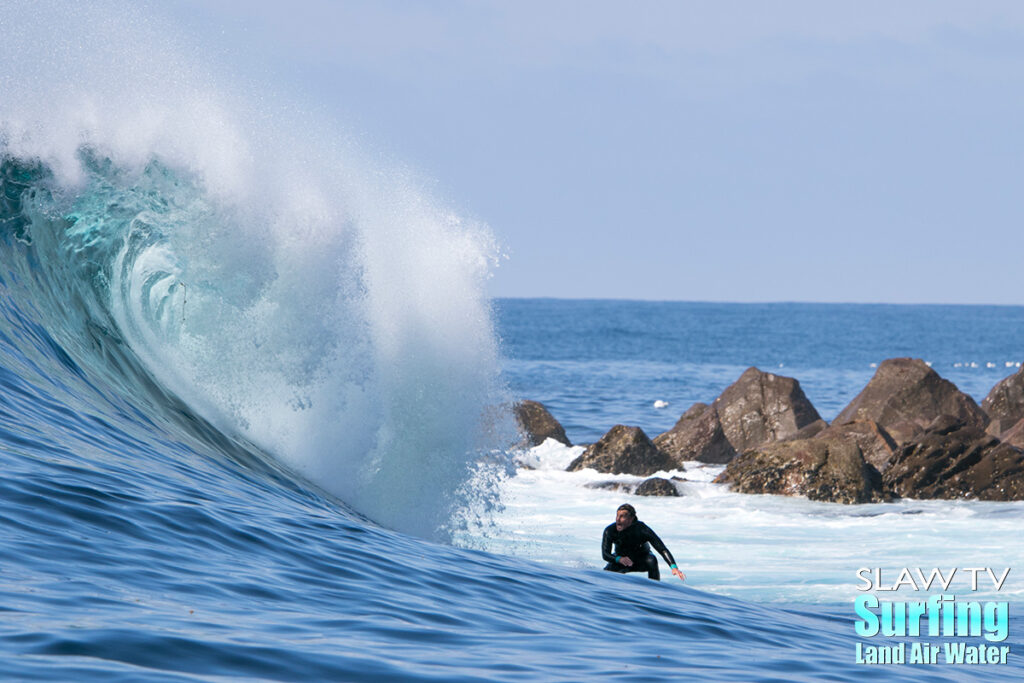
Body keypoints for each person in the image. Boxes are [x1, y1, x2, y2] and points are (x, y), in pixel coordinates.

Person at [602, 503, 685, 581]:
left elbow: (662, 549)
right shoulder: (610, 531)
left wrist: (674, 567)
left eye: (622, 516)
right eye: (617, 515)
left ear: (631, 519)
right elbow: (605, 554)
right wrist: (618, 559)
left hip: (640, 559)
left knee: (651, 560)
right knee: (605, 575)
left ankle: (654, 588)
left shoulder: (642, 529)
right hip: (621, 560)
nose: (618, 519)